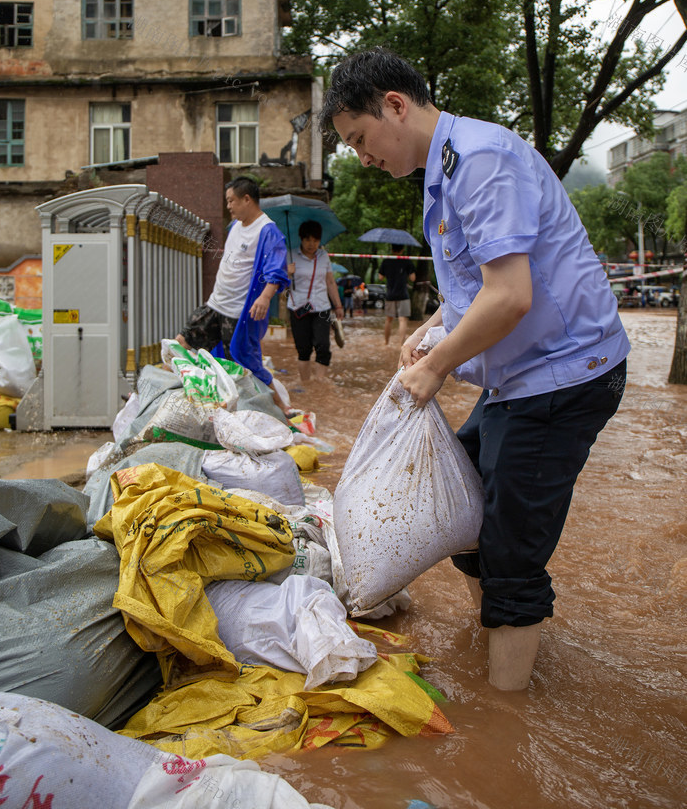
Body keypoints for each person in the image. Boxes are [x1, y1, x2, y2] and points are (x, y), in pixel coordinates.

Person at [320, 47, 629, 692]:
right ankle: (505, 633)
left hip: (563, 377)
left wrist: (434, 369)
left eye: (360, 138)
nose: (362, 157)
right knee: (459, 508)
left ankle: (508, 724)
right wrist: (431, 329)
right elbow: (475, 289)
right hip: (518, 380)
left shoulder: (480, 161)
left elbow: (511, 295)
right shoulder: (442, 176)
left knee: (510, 552)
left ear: (395, 107)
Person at [177, 176, 289, 399]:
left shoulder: (267, 231)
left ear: (246, 199)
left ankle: (283, 409)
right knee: (182, 342)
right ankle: (186, 395)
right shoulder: (235, 226)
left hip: (238, 314)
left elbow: (276, 270)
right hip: (215, 305)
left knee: (247, 367)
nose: (228, 206)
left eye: (231, 201)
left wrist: (265, 297)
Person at [287, 220, 344, 384]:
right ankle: (306, 385)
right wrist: (287, 273)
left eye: (315, 240)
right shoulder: (290, 255)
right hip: (298, 308)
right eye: (307, 240)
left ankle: (319, 385)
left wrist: (338, 305)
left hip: (321, 308)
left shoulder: (324, 257)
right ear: (301, 239)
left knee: (323, 346)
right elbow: (278, 284)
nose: (311, 244)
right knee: (303, 349)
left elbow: (330, 282)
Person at [379, 244, 416, 345]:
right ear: (403, 250)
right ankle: (400, 345)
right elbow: (413, 278)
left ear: (392, 249)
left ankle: (386, 343)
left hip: (390, 294)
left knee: (388, 319)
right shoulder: (407, 261)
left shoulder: (386, 261)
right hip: (403, 295)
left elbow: (380, 277)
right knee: (403, 320)